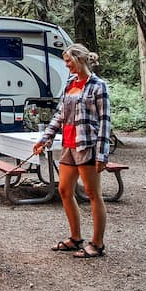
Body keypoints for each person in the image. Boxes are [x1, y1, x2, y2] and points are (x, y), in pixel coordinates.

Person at [32, 43, 112, 259]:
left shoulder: (98, 86)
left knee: (93, 194)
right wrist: (46, 137)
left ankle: (97, 244)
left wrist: (103, 153)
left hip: (87, 145)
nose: (66, 65)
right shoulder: (70, 83)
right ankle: (76, 238)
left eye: (68, 60)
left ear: (79, 59)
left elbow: (105, 121)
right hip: (68, 144)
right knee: (65, 190)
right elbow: (60, 114)